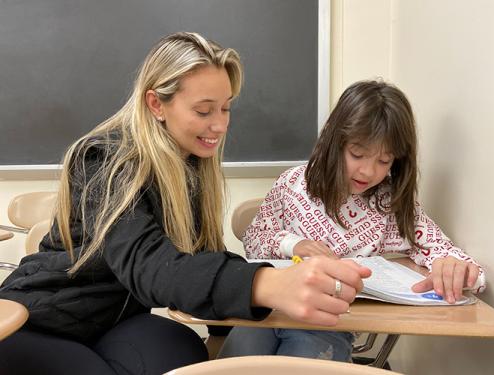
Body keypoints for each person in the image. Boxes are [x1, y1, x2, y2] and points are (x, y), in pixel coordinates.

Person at [0, 32, 372, 374]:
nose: (220, 124)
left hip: (114, 318)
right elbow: (151, 266)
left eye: (226, 108)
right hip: (39, 318)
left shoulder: (188, 165)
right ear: (156, 104)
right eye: (203, 110)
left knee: (184, 352)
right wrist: (266, 283)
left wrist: (230, 326)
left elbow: (199, 258)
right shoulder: (102, 159)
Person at [217, 79, 486, 362]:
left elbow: (460, 264)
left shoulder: (389, 203)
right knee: (239, 360)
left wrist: (456, 268)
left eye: (384, 161)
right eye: (357, 154)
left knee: (305, 358)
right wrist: (294, 244)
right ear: (335, 141)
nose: (368, 171)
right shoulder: (294, 184)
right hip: (270, 311)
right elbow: (255, 239)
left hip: (328, 322)